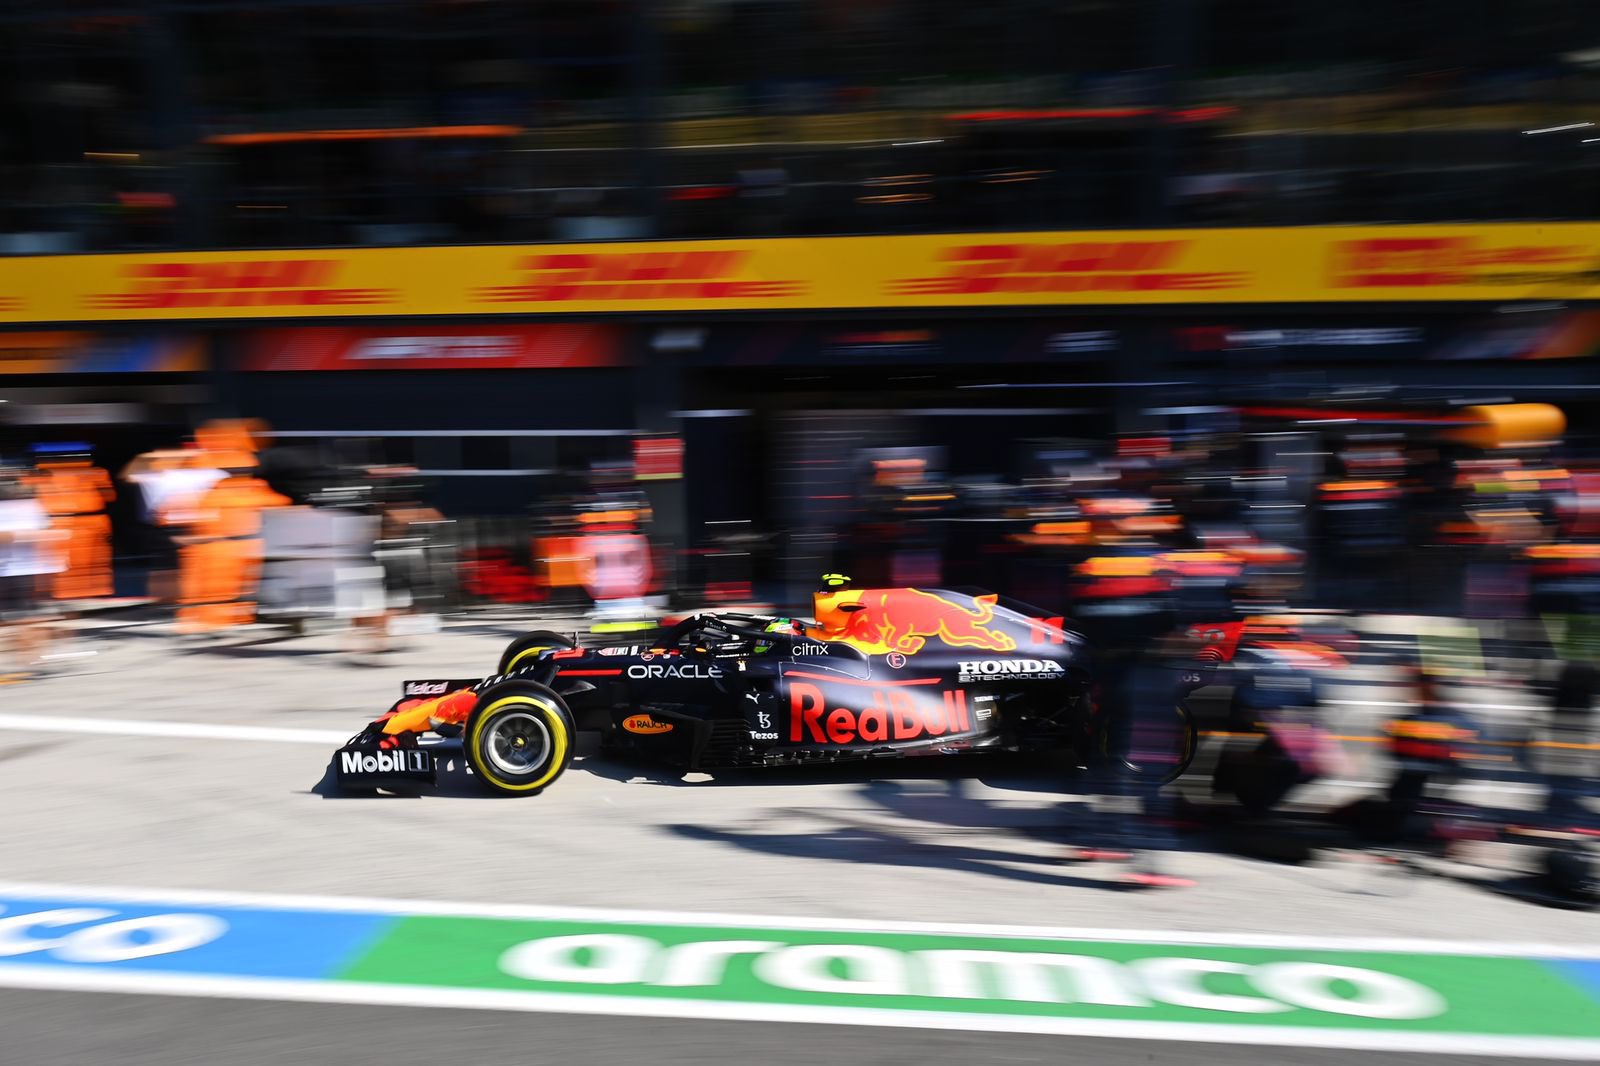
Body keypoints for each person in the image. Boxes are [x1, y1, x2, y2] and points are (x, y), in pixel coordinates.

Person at [27, 443, 115, 599]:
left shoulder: (38, 476)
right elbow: (110, 496)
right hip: (69, 523)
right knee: (74, 564)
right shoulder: (96, 473)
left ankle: (74, 594)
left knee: (75, 563)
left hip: (75, 523)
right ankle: (76, 594)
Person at [0, 466, 65, 672]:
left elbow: (45, 534)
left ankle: (30, 658)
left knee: (23, 615)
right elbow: (46, 532)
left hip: (20, 570)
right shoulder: (31, 505)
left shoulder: (29, 506)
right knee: (20, 616)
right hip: (15, 569)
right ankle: (28, 657)